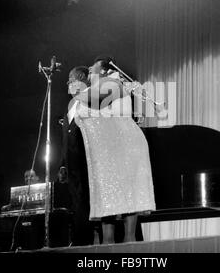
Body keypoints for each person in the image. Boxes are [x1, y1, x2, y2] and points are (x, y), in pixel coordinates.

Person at [73, 56, 156, 244]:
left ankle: (126, 249)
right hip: (115, 145)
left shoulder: (113, 82)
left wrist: (77, 93)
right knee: (110, 195)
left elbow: (92, 106)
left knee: (127, 195)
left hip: (126, 143)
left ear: (103, 70)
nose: (89, 70)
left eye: (92, 68)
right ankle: (111, 248)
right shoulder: (103, 87)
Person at [59, 66, 94, 246]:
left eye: (71, 81)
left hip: (87, 161)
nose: (68, 84)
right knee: (76, 203)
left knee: (86, 202)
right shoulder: (71, 105)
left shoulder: (91, 100)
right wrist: (63, 164)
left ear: (82, 80)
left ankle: (85, 244)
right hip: (72, 164)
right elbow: (66, 138)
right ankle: (80, 241)